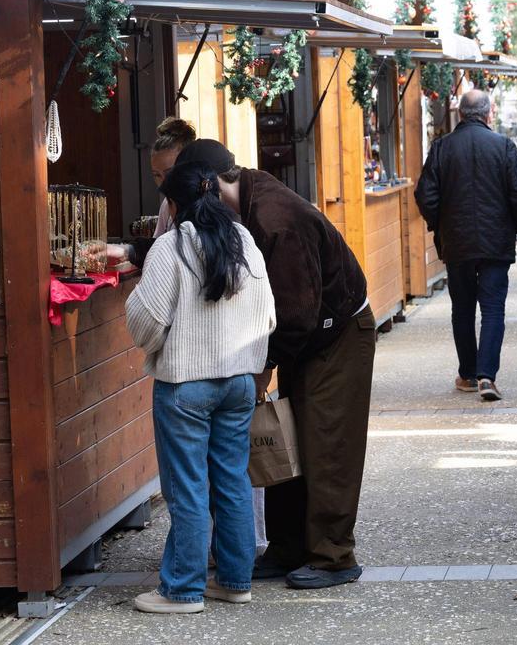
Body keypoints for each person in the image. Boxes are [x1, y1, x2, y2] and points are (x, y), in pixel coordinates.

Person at [174, 138, 375, 590]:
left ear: (208, 185)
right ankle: (287, 547)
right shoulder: (246, 195)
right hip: (308, 335)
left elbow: (297, 316)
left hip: (339, 332)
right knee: (290, 438)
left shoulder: (274, 218)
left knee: (326, 444)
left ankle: (333, 556)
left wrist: (263, 365)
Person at [125, 160, 276, 615]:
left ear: (173, 204)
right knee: (232, 482)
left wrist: (163, 344)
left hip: (185, 385)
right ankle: (234, 581)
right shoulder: (244, 240)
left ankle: (182, 589)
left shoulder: (170, 249)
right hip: (238, 384)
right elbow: (268, 315)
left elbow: (146, 320)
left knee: (188, 488)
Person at [414, 89, 517, 402]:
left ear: (460, 114)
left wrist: (440, 225)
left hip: (457, 242)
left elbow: (424, 195)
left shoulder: (441, 148)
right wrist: (512, 222)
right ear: (489, 112)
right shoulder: (504, 146)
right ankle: (486, 376)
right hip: (496, 241)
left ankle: (467, 373)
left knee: (463, 309)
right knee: (493, 309)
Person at [110, 117, 197, 268]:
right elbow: (156, 249)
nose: (163, 183)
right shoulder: (166, 205)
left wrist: (126, 251)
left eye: (169, 173)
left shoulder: (203, 203)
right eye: (157, 175)